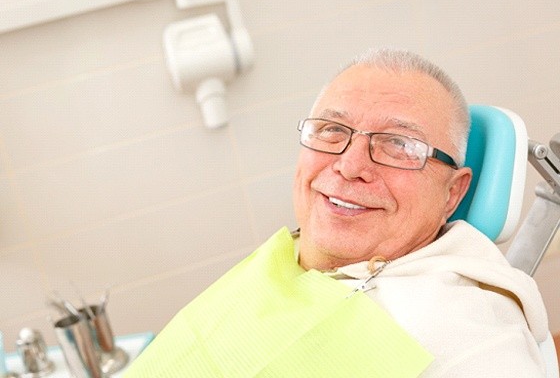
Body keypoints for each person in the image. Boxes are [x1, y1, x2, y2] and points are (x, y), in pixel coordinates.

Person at [124, 49, 548, 377]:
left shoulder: (468, 335)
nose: (349, 165)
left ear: (453, 193)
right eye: (332, 131)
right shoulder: (288, 257)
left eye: (399, 145)